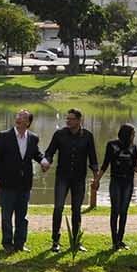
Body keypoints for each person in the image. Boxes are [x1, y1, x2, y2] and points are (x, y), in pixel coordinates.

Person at [42, 108, 98, 253]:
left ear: (80, 120)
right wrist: (46, 161)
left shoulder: (87, 136)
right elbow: (49, 152)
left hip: (79, 178)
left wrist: (96, 176)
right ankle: (55, 241)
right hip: (62, 177)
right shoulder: (59, 134)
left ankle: (76, 241)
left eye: (71, 119)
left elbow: (93, 158)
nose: (68, 121)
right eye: (67, 119)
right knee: (58, 208)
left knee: (76, 210)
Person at [0, 109, 43, 254]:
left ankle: (20, 243)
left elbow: (36, 153)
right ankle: (7, 243)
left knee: (22, 216)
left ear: (28, 122)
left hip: (24, 184)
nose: (18, 118)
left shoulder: (33, 138)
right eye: (18, 116)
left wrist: (43, 161)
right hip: (7, 183)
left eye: (23, 117)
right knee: (6, 216)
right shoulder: (3, 136)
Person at [96, 123, 137, 250]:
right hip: (116, 181)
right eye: (133, 134)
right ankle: (114, 240)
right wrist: (97, 180)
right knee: (115, 210)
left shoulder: (134, 147)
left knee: (124, 211)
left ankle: (120, 239)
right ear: (127, 134)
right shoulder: (112, 145)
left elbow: (135, 166)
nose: (134, 136)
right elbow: (105, 165)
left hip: (128, 182)